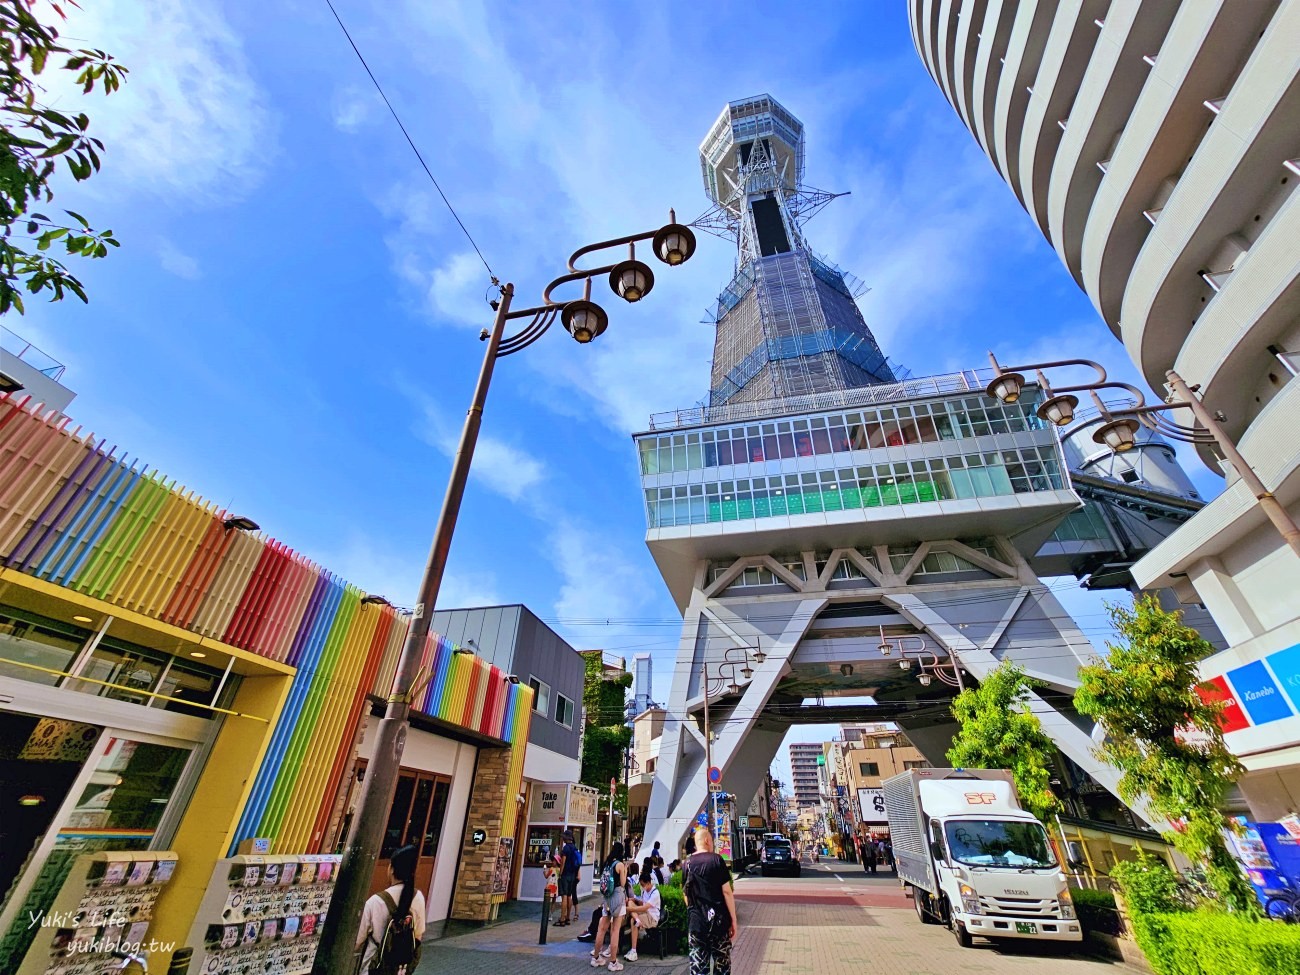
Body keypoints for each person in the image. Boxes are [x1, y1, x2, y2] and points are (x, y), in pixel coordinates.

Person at [356, 844, 426, 973]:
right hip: (401, 970)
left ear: (392, 869)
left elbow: (357, 941)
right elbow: (418, 936)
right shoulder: (418, 897)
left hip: (374, 969)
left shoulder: (375, 901)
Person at [683, 826, 737, 975]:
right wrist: (733, 920)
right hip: (718, 923)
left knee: (699, 967)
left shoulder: (687, 863)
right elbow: (726, 891)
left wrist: (694, 910)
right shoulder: (716, 860)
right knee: (722, 966)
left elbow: (686, 894)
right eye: (712, 841)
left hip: (696, 924)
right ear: (707, 840)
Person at [590, 841, 630, 971]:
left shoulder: (607, 863)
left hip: (607, 898)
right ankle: (613, 962)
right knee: (615, 930)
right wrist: (625, 870)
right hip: (617, 896)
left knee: (601, 929)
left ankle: (595, 958)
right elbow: (623, 883)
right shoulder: (619, 865)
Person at [624, 868, 662, 961]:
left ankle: (633, 951)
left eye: (643, 885)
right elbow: (643, 903)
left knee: (633, 920)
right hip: (645, 913)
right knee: (630, 902)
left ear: (649, 883)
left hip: (652, 917)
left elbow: (645, 907)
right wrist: (634, 900)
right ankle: (638, 920)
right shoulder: (645, 891)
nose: (641, 886)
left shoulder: (655, 893)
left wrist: (628, 909)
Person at [557, 829, 581, 926]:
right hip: (573, 875)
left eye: (563, 837)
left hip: (566, 874)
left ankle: (562, 918)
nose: (562, 838)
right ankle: (568, 917)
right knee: (569, 896)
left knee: (564, 896)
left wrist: (560, 873)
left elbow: (563, 861)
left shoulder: (566, 848)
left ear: (566, 838)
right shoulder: (575, 848)